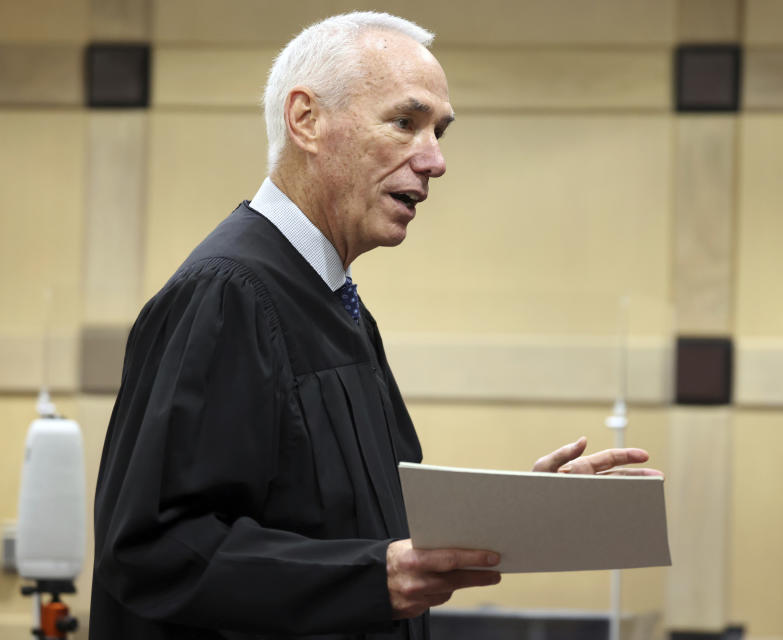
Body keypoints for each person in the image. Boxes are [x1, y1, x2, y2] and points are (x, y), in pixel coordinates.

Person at [91, 11, 660, 640]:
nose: (436, 161)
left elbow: (345, 520)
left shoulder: (330, 298)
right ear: (305, 119)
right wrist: (372, 577)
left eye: (438, 132)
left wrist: (508, 520)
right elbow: (155, 549)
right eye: (404, 123)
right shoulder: (229, 294)